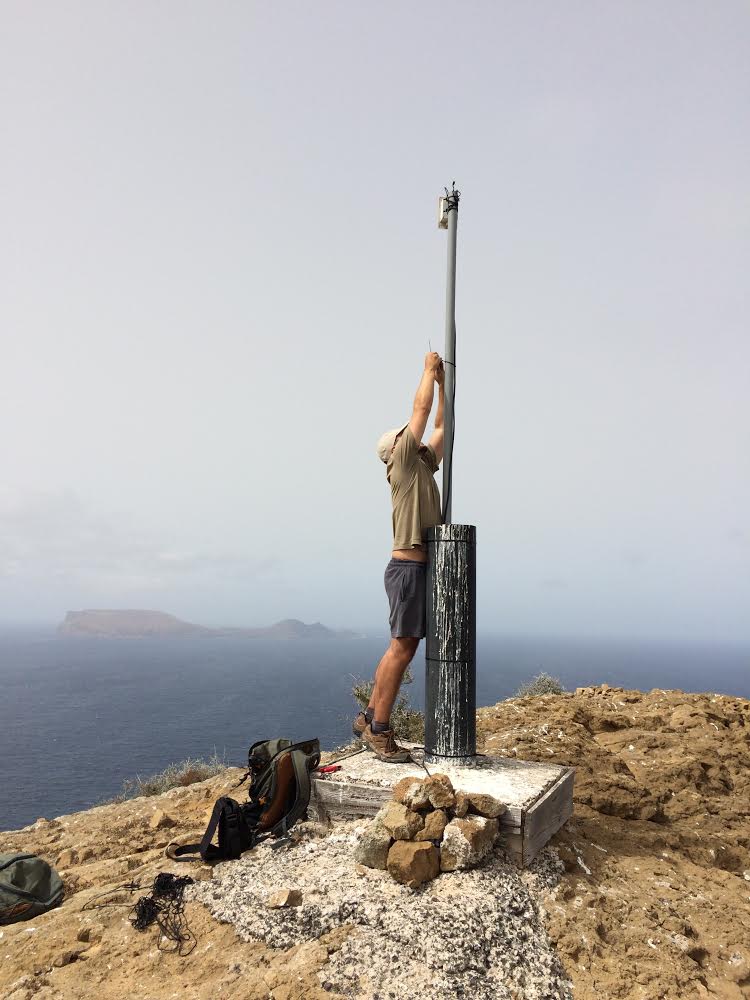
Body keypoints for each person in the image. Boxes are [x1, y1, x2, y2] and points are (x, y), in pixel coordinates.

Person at [352, 351, 445, 762]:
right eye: (406, 436)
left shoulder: (421, 466)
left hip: (413, 569)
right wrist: (426, 371)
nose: (414, 436)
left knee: (399, 648)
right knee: (402, 650)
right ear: (397, 448)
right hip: (408, 569)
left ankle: (368, 717)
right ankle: (379, 730)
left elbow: (441, 426)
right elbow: (421, 412)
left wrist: (443, 386)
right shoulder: (403, 465)